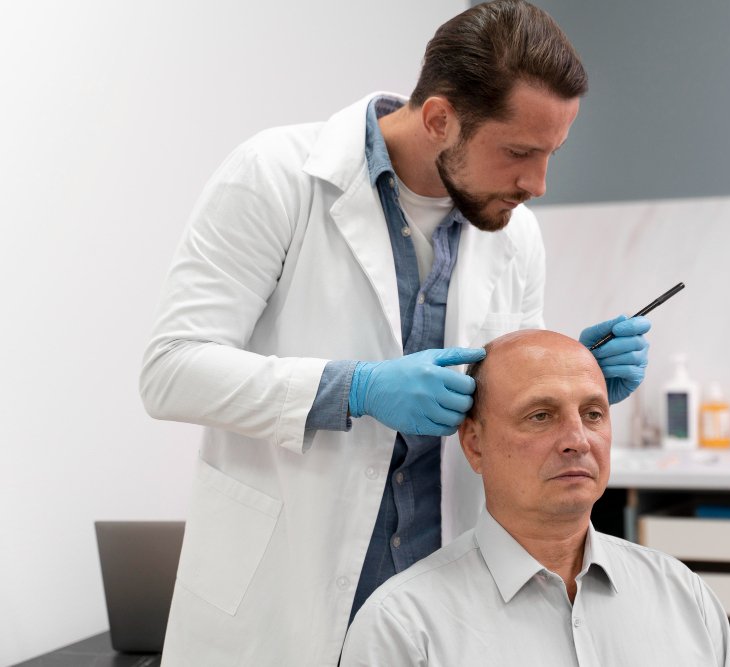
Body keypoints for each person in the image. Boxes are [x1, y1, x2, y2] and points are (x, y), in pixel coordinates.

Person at [139, 1, 651, 664]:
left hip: (440, 605)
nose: (538, 183)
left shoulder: (513, 231)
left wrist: (572, 380)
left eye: (551, 153)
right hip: (284, 595)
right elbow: (170, 371)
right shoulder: (276, 178)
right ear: (439, 119)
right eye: (519, 151)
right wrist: (354, 388)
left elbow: (497, 422)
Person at [340, 329, 730, 666]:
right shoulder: (403, 628)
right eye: (541, 415)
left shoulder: (684, 596)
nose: (578, 440)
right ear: (475, 445)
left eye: (593, 413)